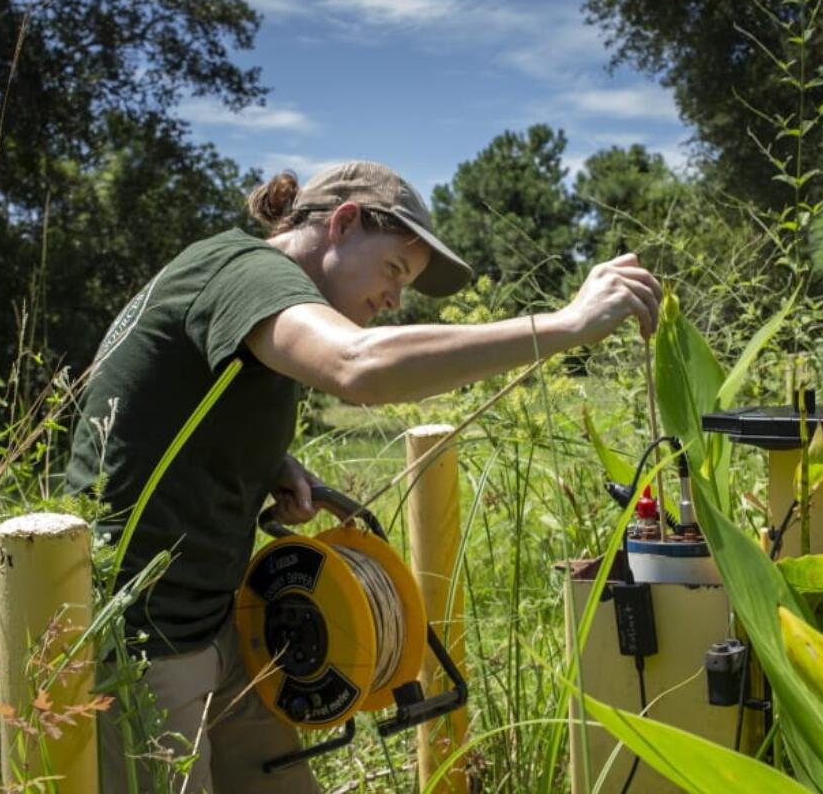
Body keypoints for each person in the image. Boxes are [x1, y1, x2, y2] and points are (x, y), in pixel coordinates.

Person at [66, 160, 662, 793]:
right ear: (343, 224)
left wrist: (269, 462)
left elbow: (168, 400)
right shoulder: (246, 270)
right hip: (140, 636)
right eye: (394, 271)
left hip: (213, 620)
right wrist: (565, 326)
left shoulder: (244, 290)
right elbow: (358, 365)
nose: (393, 300)